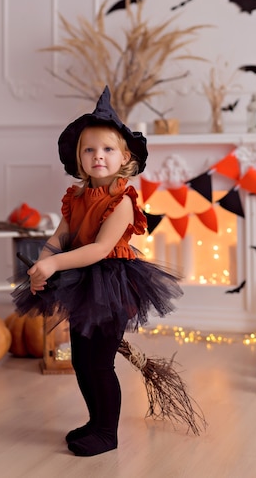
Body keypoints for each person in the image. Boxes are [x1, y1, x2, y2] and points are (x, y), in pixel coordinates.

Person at [12, 86, 184, 457]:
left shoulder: (123, 200)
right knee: (80, 359)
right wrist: (44, 261)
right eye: (89, 150)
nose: (98, 156)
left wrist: (55, 263)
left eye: (107, 149)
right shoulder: (74, 198)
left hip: (112, 285)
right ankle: (94, 420)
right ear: (79, 158)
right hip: (80, 282)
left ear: (124, 157)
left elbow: (100, 248)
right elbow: (62, 236)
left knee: (100, 363)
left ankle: (108, 431)